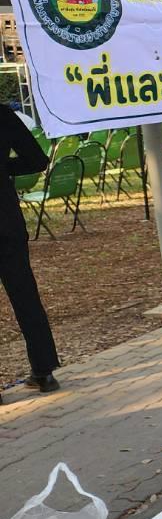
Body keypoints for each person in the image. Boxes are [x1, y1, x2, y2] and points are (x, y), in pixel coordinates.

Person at [0, 105, 59, 394]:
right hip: (6, 220)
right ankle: (44, 370)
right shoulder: (3, 114)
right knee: (26, 295)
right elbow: (37, 160)